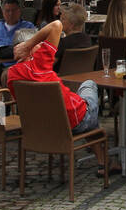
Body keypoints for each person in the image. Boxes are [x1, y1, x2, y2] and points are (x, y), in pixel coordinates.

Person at [7, 21, 105, 165]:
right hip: (72, 120)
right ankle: (104, 162)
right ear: (30, 47)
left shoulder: (12, 74)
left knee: (82, 105)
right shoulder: (41, 62)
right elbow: (57, 25)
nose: (41, 45)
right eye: (38, 42)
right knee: (89, 84)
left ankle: (103, 162)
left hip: (42, 125)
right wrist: (28, 45)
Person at [0, 0, 37, 80]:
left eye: (14, 10)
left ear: (19, 11)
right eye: (7, 11)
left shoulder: (28, 27)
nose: (10, 14)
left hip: (14, 64)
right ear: (3, 12)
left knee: (7, 75)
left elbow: (32, 48)